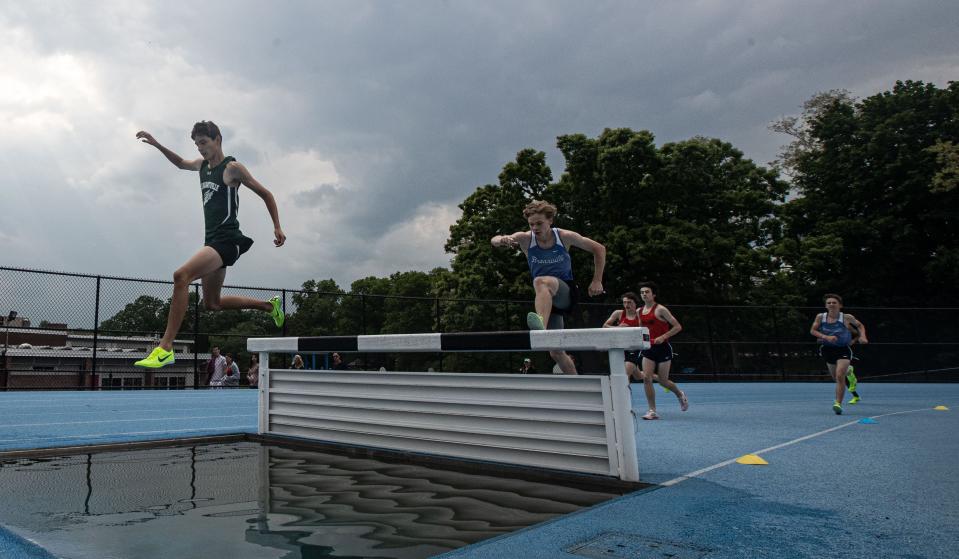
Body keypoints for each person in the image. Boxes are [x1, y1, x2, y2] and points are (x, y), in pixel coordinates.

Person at [133, 122, 286, 369]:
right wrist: (157, 144)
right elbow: (181, 163)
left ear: (218, 140)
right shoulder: (202, 166)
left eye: (204, 143)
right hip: (213, 242)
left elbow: (266, 194)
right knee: (211, 304)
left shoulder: (232, 169)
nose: (200, 149)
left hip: (227, 240)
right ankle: (269, 306)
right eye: (197, 144)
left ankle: (165, 348)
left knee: (181, 276)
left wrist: (277, 226)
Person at [491, 200, 605, 374]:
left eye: (539, 223)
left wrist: (597, 280)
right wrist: (503, 239)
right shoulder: (525, 238)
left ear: (550, 220)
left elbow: (599, 249)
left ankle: (540, 326)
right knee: (556, 352)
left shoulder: (564, 236)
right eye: (531, 224)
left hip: (565, 293)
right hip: (546, 300)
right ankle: (577, 386)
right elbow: (494, 240)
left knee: (540, 281)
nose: (535, 228)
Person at [634, 282, 687, 420]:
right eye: (642, 292)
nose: (644, 294)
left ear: (653, 294)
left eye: (647, 292)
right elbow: (641, 329)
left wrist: (663, 337)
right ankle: (652, 410)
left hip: (663, 348)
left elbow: (677, 327)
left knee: (663, 381)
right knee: (646, 378)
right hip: (648, 348)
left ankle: (679, 393)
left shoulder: (661, 310)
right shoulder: (639, 311)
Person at [810, 293, 868, 415]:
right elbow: (813, 331)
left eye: (834, 302)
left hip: (843, 349)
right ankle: (849, 371)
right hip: (827, 349)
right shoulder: (820, 317)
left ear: (840, 305)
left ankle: (838, 404)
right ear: (826, 305)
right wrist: (825, 336)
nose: (831, 304)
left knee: (840, 375)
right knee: (836, 377)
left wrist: (862, 336)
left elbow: (860, 325)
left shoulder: (847, 317)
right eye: (829, 303)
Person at [602, 292, 644, 382]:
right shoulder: (619, 313)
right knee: (639, 376)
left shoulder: (640, 314)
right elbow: (605, 326)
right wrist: (618, 327)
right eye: (624, 302)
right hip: (621, 347)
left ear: (635, 303)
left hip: (635, 348)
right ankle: (658, 378)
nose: (626, 305)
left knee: (625, 374)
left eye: (629, 302)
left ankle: (624, 395)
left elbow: (644, 330)